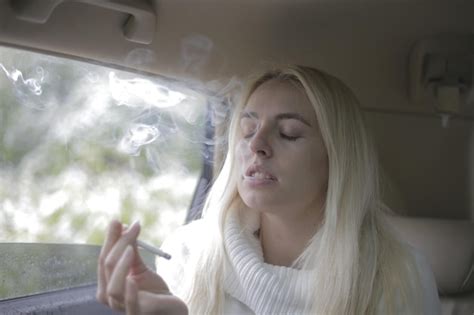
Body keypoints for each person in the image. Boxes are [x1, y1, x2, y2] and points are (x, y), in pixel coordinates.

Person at [96, 65, 441, 314]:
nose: (256, 144)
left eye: (289, 132)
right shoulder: (189, 253)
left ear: (338, 159)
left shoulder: (398, 276)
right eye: (247, 130)